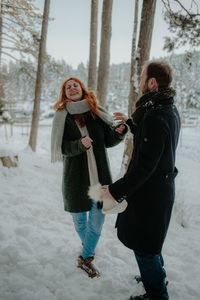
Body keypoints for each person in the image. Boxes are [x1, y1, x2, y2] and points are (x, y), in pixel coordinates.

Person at [101, 61, 181, 299]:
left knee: (145, 249)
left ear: (152, 82)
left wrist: (114, 191)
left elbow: (145, 166)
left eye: (142, 77)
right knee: (151, 244)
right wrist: (132, 124)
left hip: (150, 195)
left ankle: (156, 292)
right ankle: (155, 276)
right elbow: (155, 143)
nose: (139, 81)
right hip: (158, 190)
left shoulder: (155, 116)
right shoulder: (166, 108)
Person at [51, 77, 127, 278]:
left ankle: (85, 257)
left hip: (99, 178)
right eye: (68, 87)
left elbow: (108, 140)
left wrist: (120, 132)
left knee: (97, 221)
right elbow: (63, 148)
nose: (72, 87)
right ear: (65, 94)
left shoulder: (95, 112)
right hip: (76, 180)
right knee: (79, 222)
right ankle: (89, 246)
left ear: (82, 89)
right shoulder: (62, 116)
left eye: (75, 84)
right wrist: (79, 144)